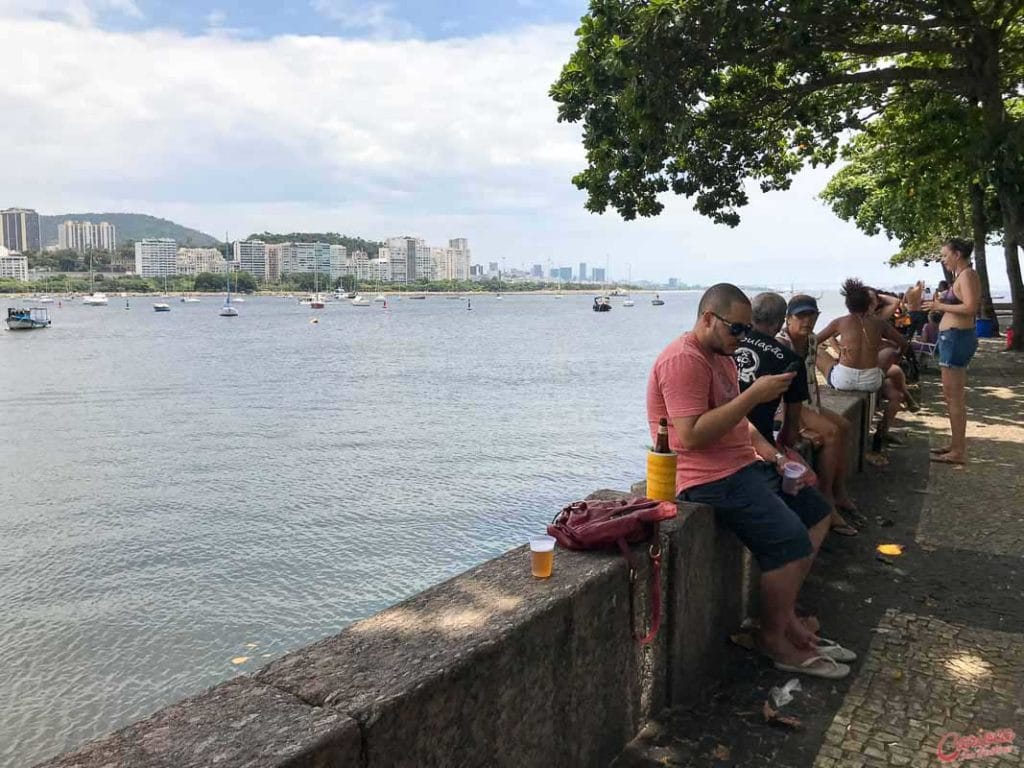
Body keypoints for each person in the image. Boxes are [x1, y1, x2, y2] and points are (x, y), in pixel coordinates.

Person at [647, 283, 852, 679]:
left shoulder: (722, 355)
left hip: (741, 464)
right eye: (737, 329)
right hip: (706, 477)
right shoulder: (684, 360)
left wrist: (776, 456)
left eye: (747, 329)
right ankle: (773, 637)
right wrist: (754, 394)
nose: (744, 338)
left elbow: (738, 423)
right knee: (790, 540)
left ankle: (786, 618)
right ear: (708, 318)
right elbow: (688, 436)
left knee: (817, 513)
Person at [778, 295, 860, 536]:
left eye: (811, 315)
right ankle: (827, 502)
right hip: (788, 406)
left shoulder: (812, 341)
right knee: (831, 433)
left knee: (843, 425)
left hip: (807, 402)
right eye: (800, 316)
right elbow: (781, 392)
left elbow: (811, 380)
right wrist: (800, 426)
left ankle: (839, 491)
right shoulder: (782, 344)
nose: (807, 321)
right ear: (788, 319)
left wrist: (818, 409)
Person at [816, 278, 911, 455]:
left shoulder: (840, 322)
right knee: (889, 353)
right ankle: (881, 435)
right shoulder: (879, 323)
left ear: (847, 304)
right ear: (869, 304)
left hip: (843, 380)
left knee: (818, 353)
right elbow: (903, 344)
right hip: (871, 381)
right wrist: (896, 356)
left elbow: (813, 342)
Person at [922, 238, 981, 465]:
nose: (943, 260)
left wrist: (940, 306)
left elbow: (969, 307)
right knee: (950, 397)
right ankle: (955, 444)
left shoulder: (967, 275)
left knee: (954, 397)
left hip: (956, 338)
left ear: (957, 254)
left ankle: (958, 451)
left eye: (945, 255)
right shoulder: (961, 276)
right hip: (952, 337)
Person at [734, 293, 808, 448]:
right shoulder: (792, 360)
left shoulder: (729, 345)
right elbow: (792, 422)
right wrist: (783, 451)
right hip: (762, 441)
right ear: (780, 322)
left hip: (722, 435)